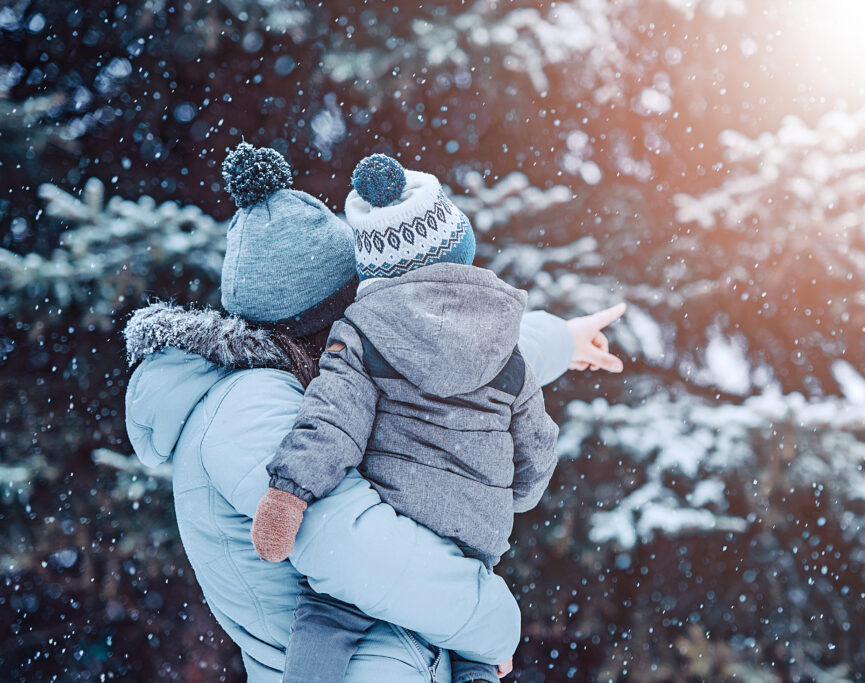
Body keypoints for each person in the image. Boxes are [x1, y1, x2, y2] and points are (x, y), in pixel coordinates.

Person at [122, 142, 626, 682]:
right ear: (330, 318)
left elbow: (455, 352)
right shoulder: (247, 408)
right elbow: (354, 551)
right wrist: (494, 621)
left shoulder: (323, 368)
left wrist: (560, 338)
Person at [248, 154, 560, 683]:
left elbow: (331, 421)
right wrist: (513, 496)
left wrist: (288, 493)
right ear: (459, 245)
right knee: (472, 652)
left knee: (327, 616)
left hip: (393, 516)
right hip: (475, 533)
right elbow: (536, 447)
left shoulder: (361, 333)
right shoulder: (508, 347)